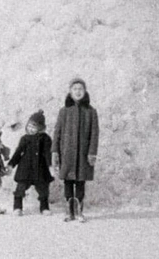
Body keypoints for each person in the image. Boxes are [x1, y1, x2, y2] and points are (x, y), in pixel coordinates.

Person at [52, 77, 99, 222]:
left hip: (83, 154)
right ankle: (68, 211)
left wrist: (92, 152)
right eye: (75, 89)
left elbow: (95, 133)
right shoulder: (64, 111)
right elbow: (57, 132)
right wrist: (55, 151)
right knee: (67, 181)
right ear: (70, 92)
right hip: (67, 153)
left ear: (85, 92)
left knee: (80, 182)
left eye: (80, 89)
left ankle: (79, 212)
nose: (78, 92)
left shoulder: (91, 112)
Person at [7, 109, 54, 216]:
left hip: (41, 169)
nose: (31, 129)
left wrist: (50, 166)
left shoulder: (46, 139)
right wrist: (11, 164)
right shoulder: (25, 138)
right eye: (29, 126)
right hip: (25, 169)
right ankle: (17, 207)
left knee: (43, 189)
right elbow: (18, 153)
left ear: (40, 128)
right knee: (20, 188)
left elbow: (48, 153)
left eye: (34, 127)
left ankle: (44, 207)